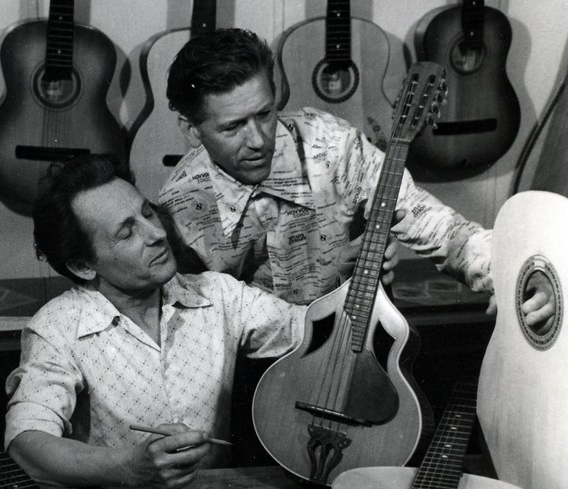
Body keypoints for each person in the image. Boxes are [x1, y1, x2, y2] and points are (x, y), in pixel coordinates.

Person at [158, 28, 554, 327]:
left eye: (264, 114)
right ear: (191, 130)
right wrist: (329, 283)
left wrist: (520, 275)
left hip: (354, 353)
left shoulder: (332, 145)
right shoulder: (178, 207)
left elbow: (441, 229)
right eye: (233, 127)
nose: (259, 140)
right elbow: (193, 326)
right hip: (248, 377)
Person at [4, 154, 307, 489]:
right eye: (126, 233)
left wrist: (359, 285)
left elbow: (317, 330)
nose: (157, 233)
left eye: (147, 213)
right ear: (83, 266)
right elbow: (25, 444)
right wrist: (129, 467)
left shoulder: (219, 295)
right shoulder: (56, 328)